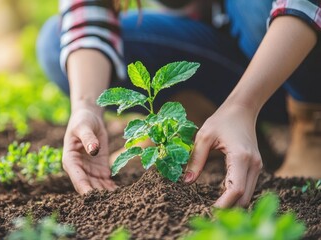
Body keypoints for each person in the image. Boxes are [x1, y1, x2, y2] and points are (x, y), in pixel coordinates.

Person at [37, 0, 321, 207]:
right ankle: (197, 114)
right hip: (227, 45)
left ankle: (311, 123)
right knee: (55, 41)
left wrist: (243, 106)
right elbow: (88, 9)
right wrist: (86, 106)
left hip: (298, 43)